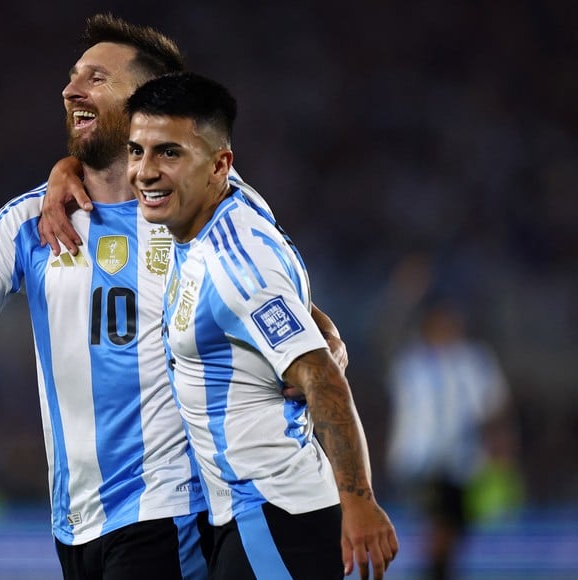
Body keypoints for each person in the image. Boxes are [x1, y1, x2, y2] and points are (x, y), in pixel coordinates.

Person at [0, 14, 346, 580]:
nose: (70, 89)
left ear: (143, 103)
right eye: (72, 77)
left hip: (168, 506)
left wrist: (321, 329)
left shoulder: (202, 208)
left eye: (95, 78)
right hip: (75, 517)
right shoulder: (27, 220)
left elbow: (264, 281)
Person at [124, 71, 399, 579]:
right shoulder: (228, 203)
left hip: (275, 514)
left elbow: (320, 375)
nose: (144, 171)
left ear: (219, 165)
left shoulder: (232, 265)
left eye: (168, 153)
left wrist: (359, 503)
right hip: (256, 514)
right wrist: (318, 320)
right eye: (136, 151)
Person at [386, 297, 514, 580]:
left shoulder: (474, 360)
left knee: (455, 529)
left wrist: (500, 448)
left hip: (464, 461)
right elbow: (386, 335)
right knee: (439, 524)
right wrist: (404, 293)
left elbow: (493, 407)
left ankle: (438, 571)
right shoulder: (412, 362)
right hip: (421, 460)